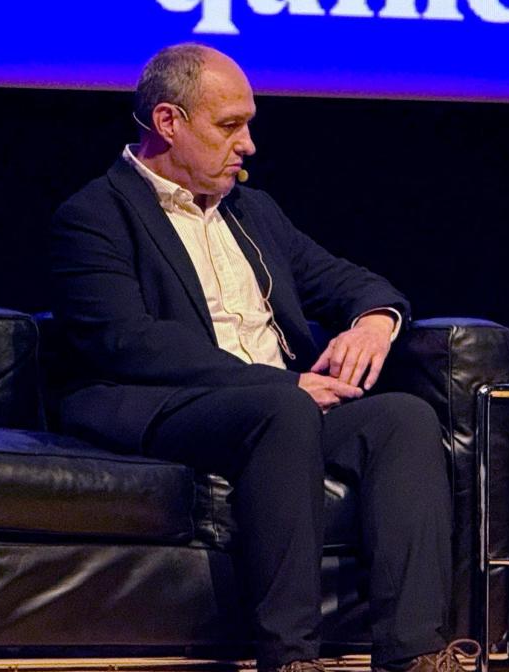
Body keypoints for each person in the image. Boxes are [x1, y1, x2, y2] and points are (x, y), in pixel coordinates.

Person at [49, 44, 471, 672]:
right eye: (229, 126)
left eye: (247, 124)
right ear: (168, 122)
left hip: (281, 402)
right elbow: (127, 340)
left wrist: (376, 323)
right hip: (165, 403)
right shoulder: (95, 215)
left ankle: (413, 650)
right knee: (281, 409)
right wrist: (280, 383)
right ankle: (289, 656)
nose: (247, 145)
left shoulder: (253, 211)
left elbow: (349, 280)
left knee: (404, 419)